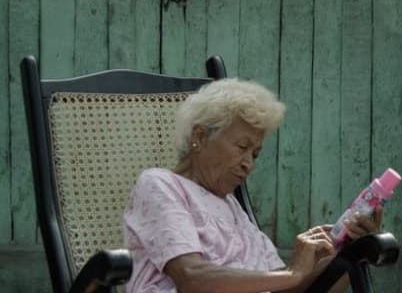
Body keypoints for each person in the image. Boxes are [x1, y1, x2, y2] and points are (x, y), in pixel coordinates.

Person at [123, 78, 381, 293]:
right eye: (242, 147)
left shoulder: (231, 208)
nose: (249, 164)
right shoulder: (161, 184)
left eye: (255, 154)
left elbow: (286, 286)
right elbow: (192, 278)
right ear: (200, 137)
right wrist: (293, 273)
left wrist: (351, 251)